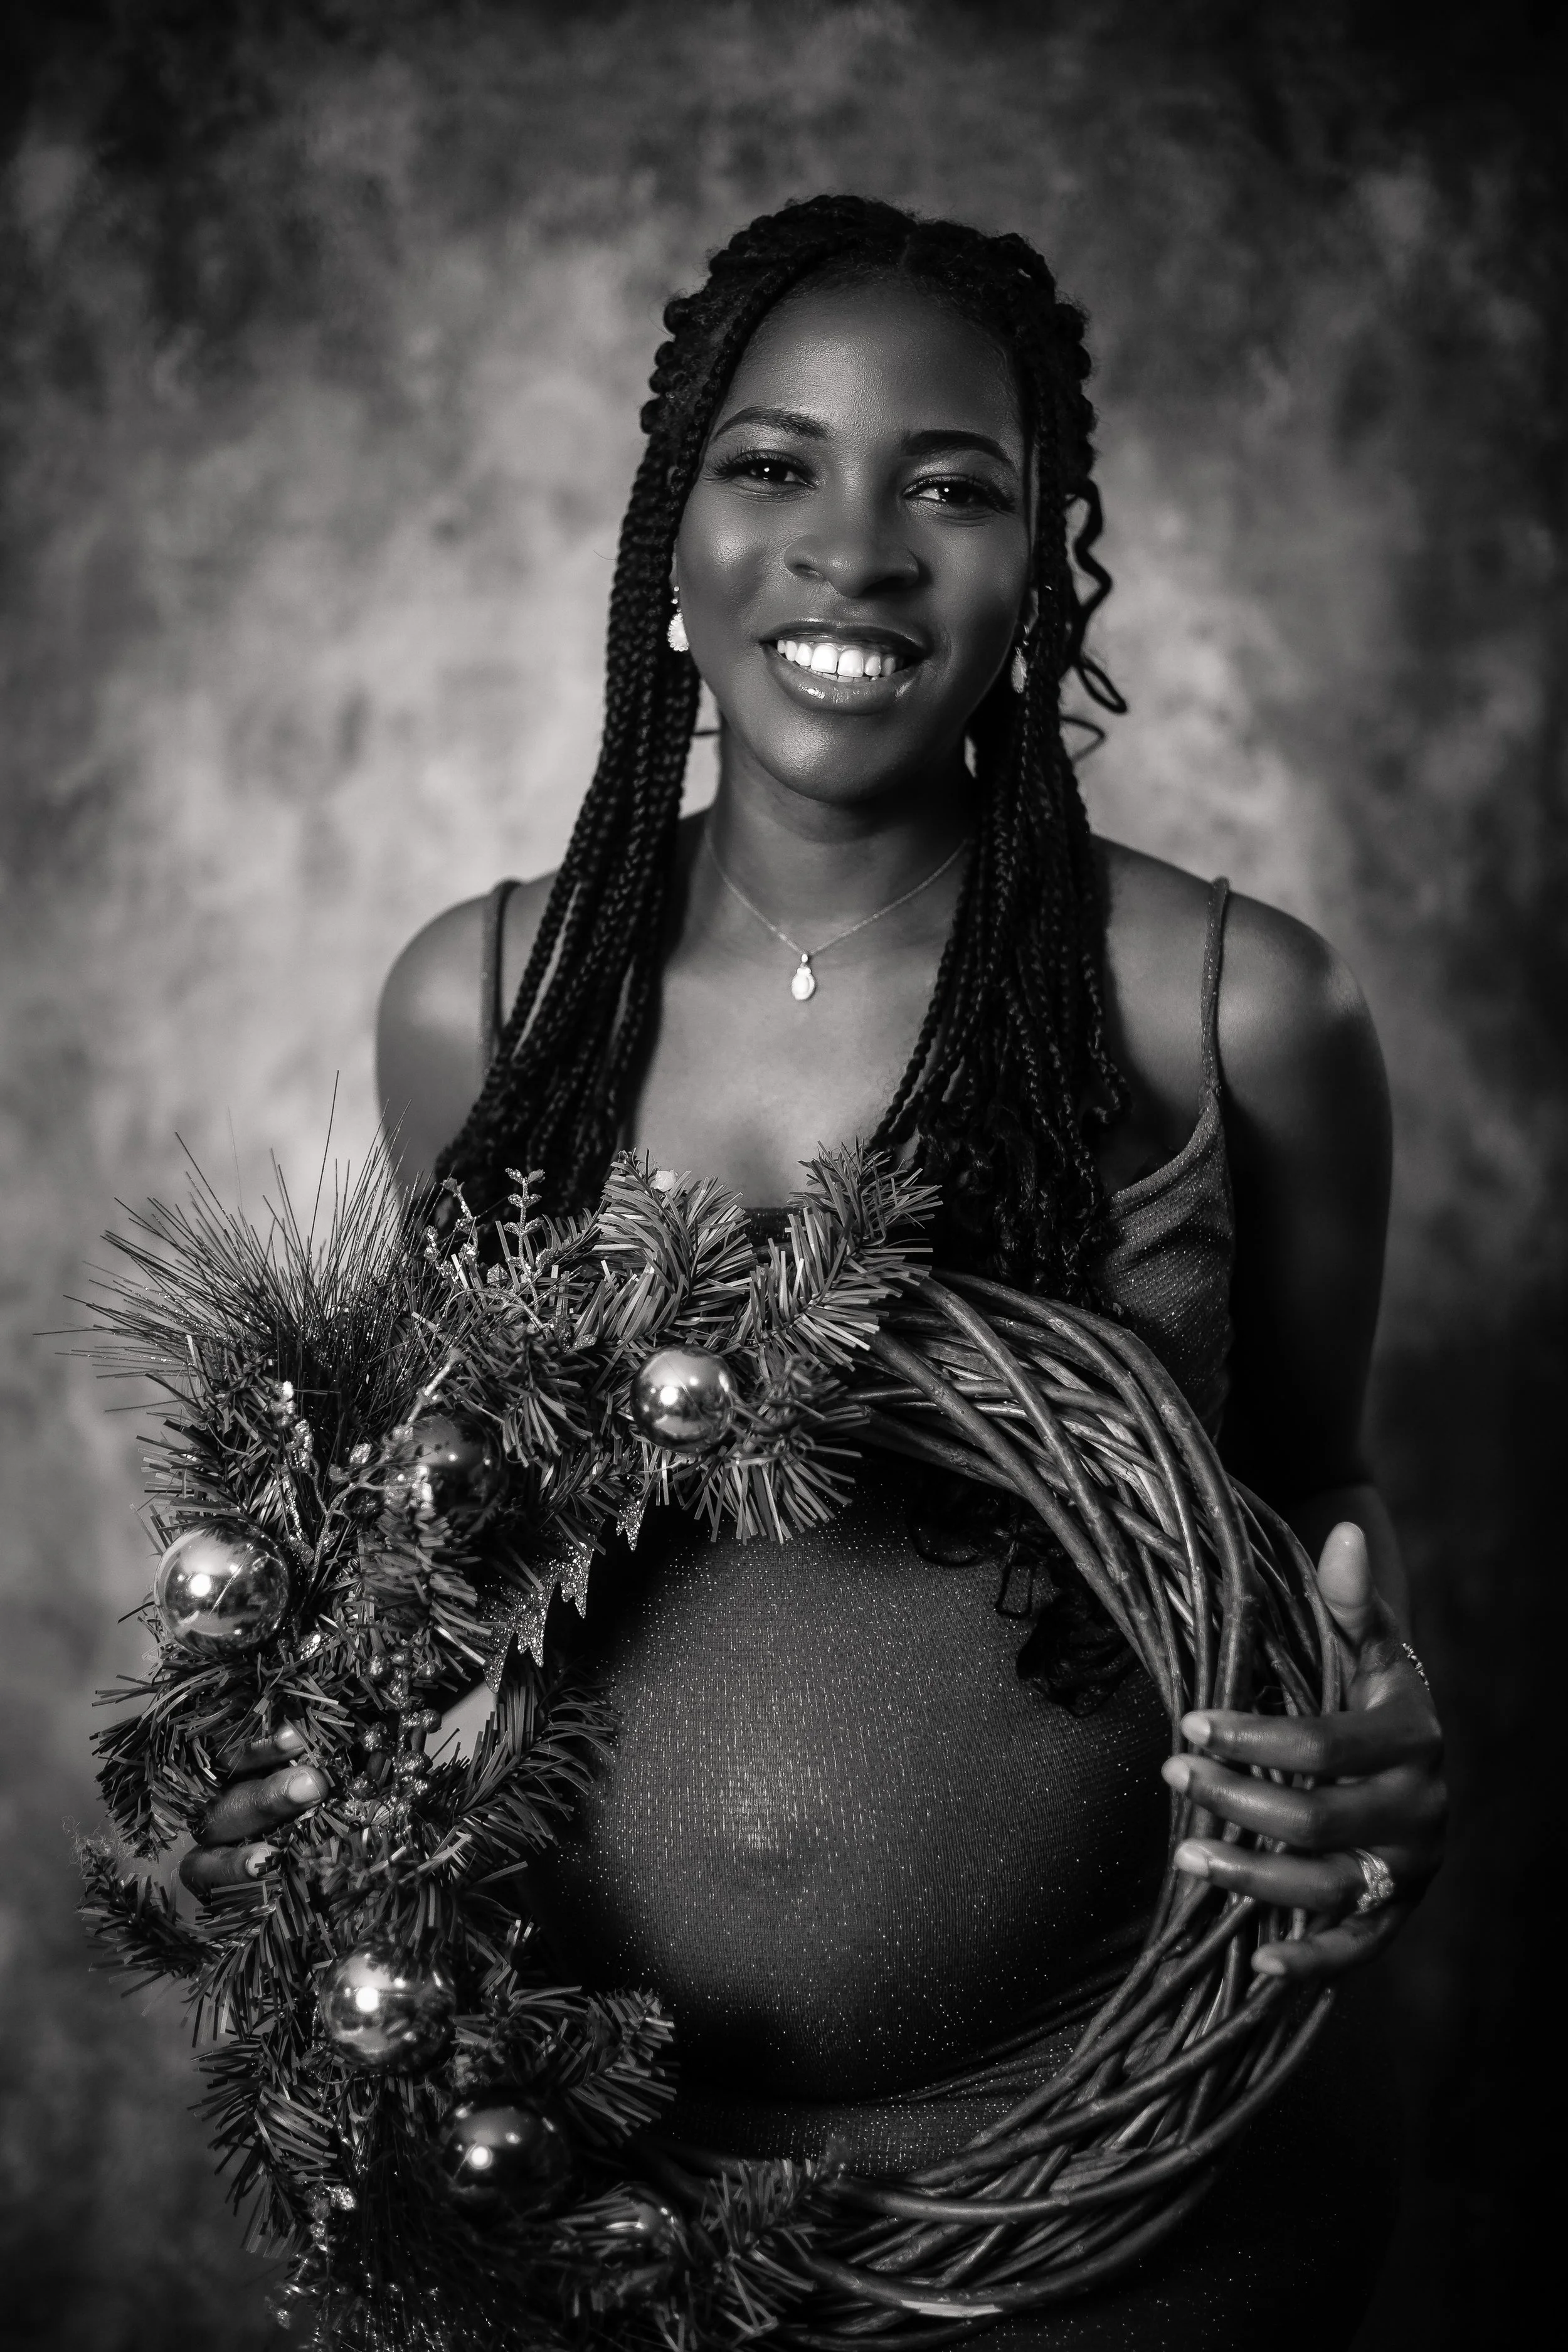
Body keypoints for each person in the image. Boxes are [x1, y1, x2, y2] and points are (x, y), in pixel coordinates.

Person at [183, 197, 1446, 2346]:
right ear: (667, 539)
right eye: (772, 465)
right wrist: (302, 1797)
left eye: (949, 485)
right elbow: (437, 1558)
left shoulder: (1237, 1009)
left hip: (1115, 2204)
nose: (854, 549)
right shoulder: (489, 1006)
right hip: (599, 2203)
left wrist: (1387, 1736)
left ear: (1041, 566)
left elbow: (1311, 1498)